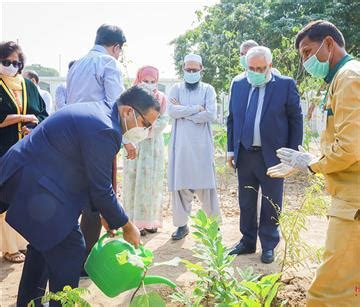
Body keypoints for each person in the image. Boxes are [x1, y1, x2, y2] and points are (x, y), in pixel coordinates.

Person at [0, 86, 160, 306]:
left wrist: (103, 212)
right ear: (128, 112)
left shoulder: (102, 114)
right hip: (35, 181)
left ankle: (29, 303)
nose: (146, 131)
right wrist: (126, 224)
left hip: (34, 176)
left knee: (45, 242)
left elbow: (86, 174)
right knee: (70, 248)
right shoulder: (105, 129)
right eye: (146, 124)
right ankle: (61, 303)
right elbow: (101, 187)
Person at [268, 20, 360, 306]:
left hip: (353, 203)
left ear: (328, 44)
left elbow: (350, 147)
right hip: (350, 197)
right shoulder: (344, 77)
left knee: (327, 294)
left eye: (308, 52)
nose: (306, 61)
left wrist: (312, 163)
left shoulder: (348, 78)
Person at [66, 24, 136, 269]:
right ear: (116, 47)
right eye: (119, 51)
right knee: (96, 197)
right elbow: (117, 106)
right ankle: (84, 261)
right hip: (96, 138)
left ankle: (70, 254)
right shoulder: (109, 64)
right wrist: (127, 141)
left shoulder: (77, 65)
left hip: (71, 138)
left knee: (75, 195)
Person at [227, 46, 303, 263]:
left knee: (272, 201)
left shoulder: (285, 85)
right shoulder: (239, 84)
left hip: (274, 156)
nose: (256, 72)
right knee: (247, 201)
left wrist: (292, 155)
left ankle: (269, 244)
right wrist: (231, 150)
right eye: (252, 68)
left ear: (270, 66)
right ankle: (247, 241)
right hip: (246, 153)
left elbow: (295, 120)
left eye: (261, 68)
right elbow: (232, 119)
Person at [0, 41, 48, 264]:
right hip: (3, 150)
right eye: (6, 62)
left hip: (28, 152)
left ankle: (21, 243)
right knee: (5, 198)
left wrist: (35, 124)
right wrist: (22, 118)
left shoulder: (29, 86)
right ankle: (8, 247)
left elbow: (44, 115)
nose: (11, 66)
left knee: (24, 195)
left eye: (16, 63)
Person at [168, 53, 220, 240]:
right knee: (180, 187)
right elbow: (172, 111)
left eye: (194, 70)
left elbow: (211, 114)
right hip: (181, 146)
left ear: (201, 70)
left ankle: (213, 225)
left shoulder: (208, 89)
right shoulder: (175, 88)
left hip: (201, 146)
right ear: (183, 69)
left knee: (206, 186)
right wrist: (196, 109)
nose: (191, 72)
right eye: (188, 70)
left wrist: (184, 112)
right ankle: (182, 226)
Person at [123, 66, 168, 236]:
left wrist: (146, 127)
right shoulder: (130, 96)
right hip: (134, 142)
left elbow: (163, 120)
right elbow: (125, 117)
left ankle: (150, 221)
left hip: (152, 145)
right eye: (145, 81)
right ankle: (134, 223)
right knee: (134, 182)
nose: (149, 84)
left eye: (152, 81)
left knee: (151, 183)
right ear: (139, 79)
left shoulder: (161, 98)